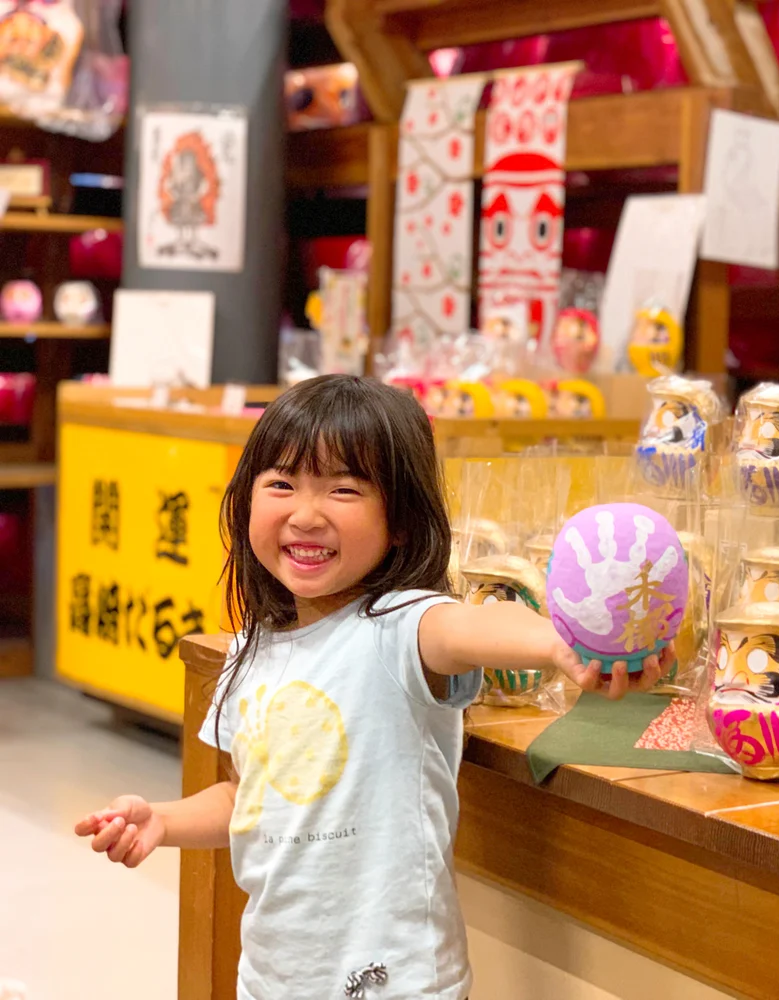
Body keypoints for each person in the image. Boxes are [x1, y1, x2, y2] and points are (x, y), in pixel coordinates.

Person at [74, 375, 666, 999]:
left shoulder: (401, 626)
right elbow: (250, 799)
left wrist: (557, 646)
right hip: (273, 980)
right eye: (281, 483)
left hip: (396, 983)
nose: (306, 513)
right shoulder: (250, 650)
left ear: (401, 523)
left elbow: (479, 623)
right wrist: (162, 822)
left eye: (343, 490)